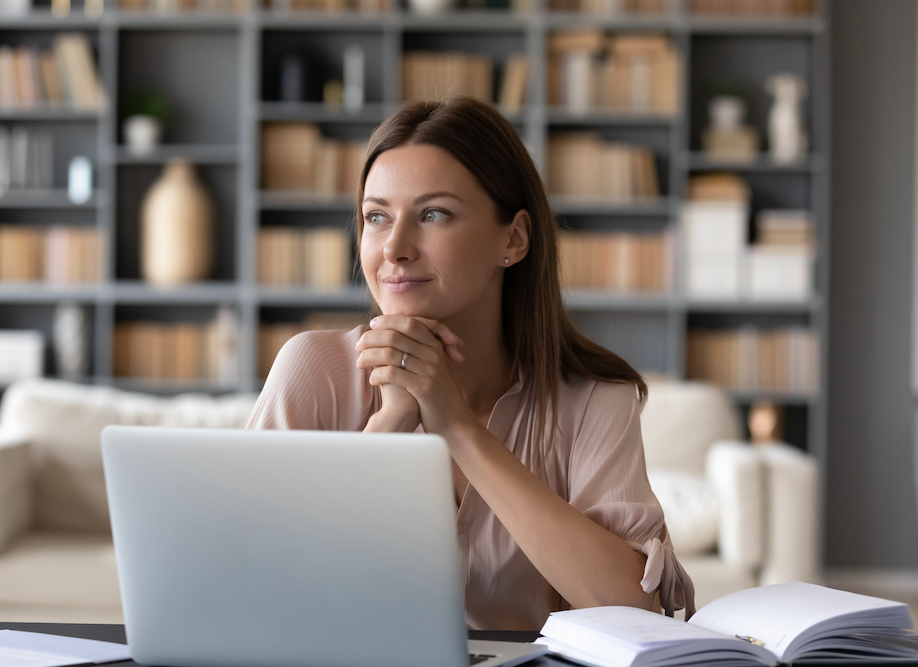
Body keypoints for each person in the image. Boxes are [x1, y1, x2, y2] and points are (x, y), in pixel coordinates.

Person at [247, 97, 695, 630]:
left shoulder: (596, 399)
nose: (395, 247)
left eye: (433, 214)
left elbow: (630, 609)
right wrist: (389, 425)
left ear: (513, 238)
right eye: (376, 217)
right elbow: (249, 584)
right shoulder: (313, 370)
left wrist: (457, 426)